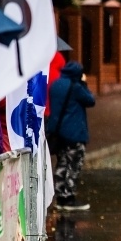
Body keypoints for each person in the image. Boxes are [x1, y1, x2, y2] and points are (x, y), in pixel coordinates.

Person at [47, 61, 96, 211]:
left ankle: (60, 197)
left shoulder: (55, 85)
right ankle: (68, 198)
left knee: (62, 163)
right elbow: (90, 100)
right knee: (73, 164)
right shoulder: (76, 87)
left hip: (59, 132)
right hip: (74, 132)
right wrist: (83, 83)